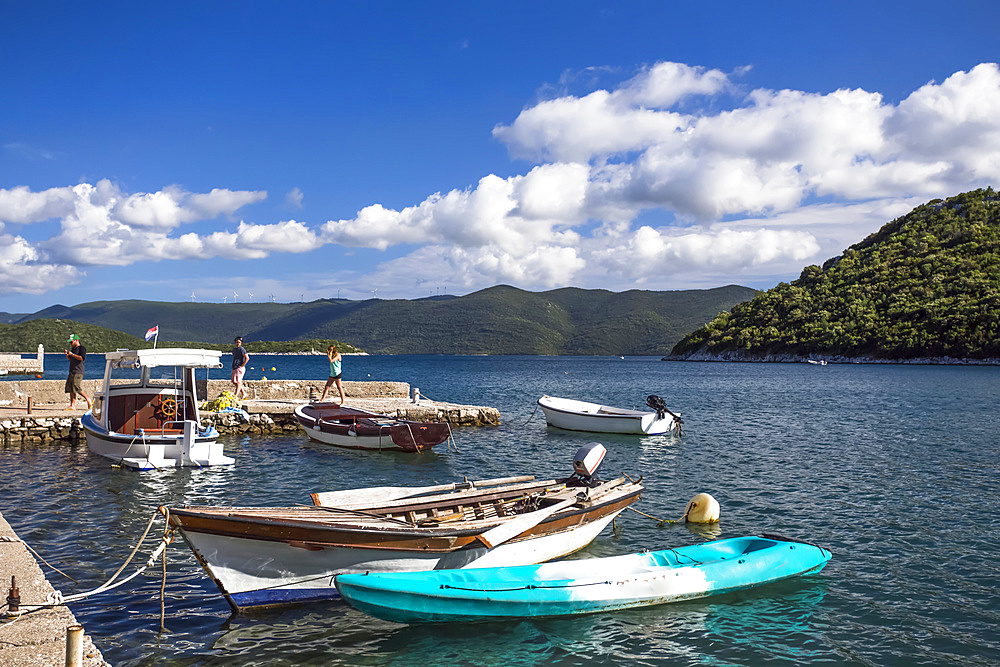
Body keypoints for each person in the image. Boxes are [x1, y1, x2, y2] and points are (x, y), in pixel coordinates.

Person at [64, 334, 91, 410]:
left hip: (78, 371)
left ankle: (88, 400)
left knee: (76, 386)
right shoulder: (73, 350)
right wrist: (68, 355)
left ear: (76, 340)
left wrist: (72, 354)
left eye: (71, 342)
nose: (70, 344)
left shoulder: (82, 348)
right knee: (70, 388)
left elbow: (81, 358)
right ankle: (72, 405)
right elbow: (71, 359)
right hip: (72, 371)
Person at [231, 336, 250, 401]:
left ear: (241, 343)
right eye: (237, 342)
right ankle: (244, 393)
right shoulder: (234, 350)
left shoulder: (242, 349)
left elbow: (247, 358)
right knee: (234, 381)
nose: (238, 343)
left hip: (239, 367)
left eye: (239, 342)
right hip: (234, 367)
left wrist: (242, 365)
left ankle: (235, 396)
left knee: (238, 382)